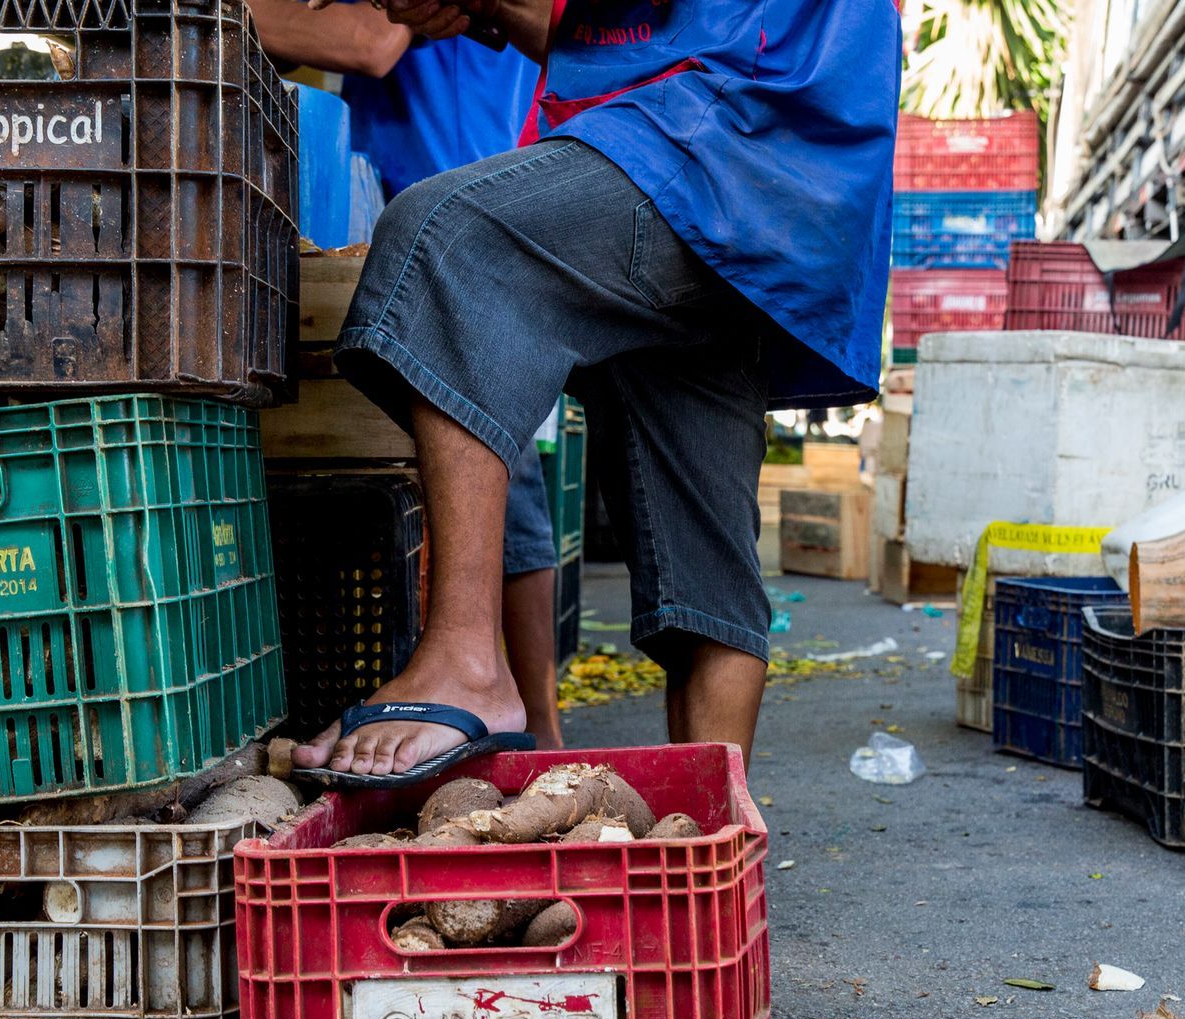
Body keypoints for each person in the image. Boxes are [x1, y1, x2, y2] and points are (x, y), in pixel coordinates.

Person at [295, 0, 897, 783]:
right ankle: (708, 850)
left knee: (447, 239)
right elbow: (604, 31)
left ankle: (468, 663)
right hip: (759, 175)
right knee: (703, 559)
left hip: (722, 126)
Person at [248, 0, 566, 751]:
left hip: (469, 204)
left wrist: (191, 14)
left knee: (497, 460)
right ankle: (503, 703)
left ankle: (532, 723)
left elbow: (366, 39)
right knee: (478, 462)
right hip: (402, 214)